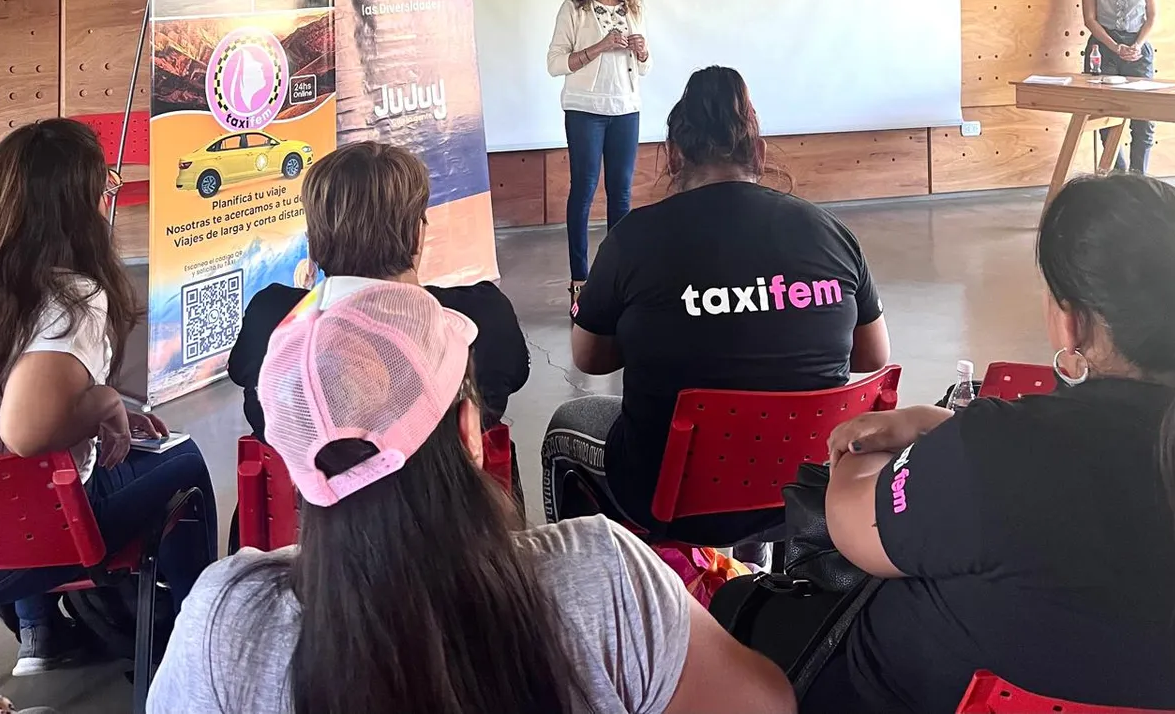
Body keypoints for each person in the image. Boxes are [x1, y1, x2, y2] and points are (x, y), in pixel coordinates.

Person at [147, 277, 796, 714]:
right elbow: (769, 703)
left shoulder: (222, 626)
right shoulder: (609, 576)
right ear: (469, 434)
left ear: (293, 460)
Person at [817, 174, 1175, 714]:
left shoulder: (996, 453)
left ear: (1073, 323)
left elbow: (853, 529)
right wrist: (945, 425)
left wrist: (862, 456)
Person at [542, 66, 891, 550]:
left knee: (566, 427)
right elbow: (872, 357)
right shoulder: (830, 233)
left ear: (676, 155)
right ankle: (753, 579)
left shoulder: (634, 239)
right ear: (760, 153)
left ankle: (613, 592)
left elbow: (592, 359)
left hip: (668, 494)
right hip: (803, 489)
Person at [0, 120, 217, 676]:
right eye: (104, 184)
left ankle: (40, 633)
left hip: (8, 526)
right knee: (185, 460)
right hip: (33, 540)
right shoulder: (72, 299)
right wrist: (103, 405)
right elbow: (24, 431)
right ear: (80, 204)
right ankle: (197, 641)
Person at [227, 141, 530, 442]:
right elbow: (513, 377)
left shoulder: (272, 317)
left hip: (304, 491)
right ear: (417, 234)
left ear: (314, 243)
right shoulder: (484, 317)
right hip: (454, 490)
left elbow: (242, 373)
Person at [547, 0, 651, 311]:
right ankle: (580, 281)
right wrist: (600, 46)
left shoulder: (631, 7)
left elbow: (645, 67)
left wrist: (642, 51)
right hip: (584, 109)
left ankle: (616, 279)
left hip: (625, 108)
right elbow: (555, 62)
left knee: (621, 195)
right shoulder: (573, 9)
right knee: (584, 190)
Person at [1081, 0, 1158, 173]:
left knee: (1143, 114)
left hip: (1138, 45)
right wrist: (1114, 46)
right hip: (1103, 47)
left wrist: (1137, 45)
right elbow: (1089, 19)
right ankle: (1119, 172)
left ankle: (1139, 176)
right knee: (1105, 113)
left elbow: (1152, 16)